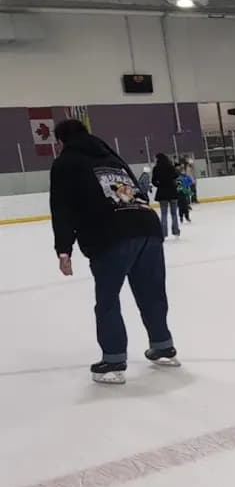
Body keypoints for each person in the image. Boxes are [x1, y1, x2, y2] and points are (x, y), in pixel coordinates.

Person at [49, 119, 179, 385]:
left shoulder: (65, 162)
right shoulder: (113, 158)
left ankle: (113, 359)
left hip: (110, 234)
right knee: (151, 292)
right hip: (147, 227)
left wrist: (64, 249)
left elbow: (62, 208)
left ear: (61, 141)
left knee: (108, 300)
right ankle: (163, 347)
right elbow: (136, 192)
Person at [152, 152, 181, 238]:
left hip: (162, 193)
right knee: (174, 214)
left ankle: (164, 233)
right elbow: (176, 175)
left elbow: (154, 181)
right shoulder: (170, 167)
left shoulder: (156, 168)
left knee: (164, 214)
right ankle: (176, 231)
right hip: (172, 191)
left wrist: (159, 185)